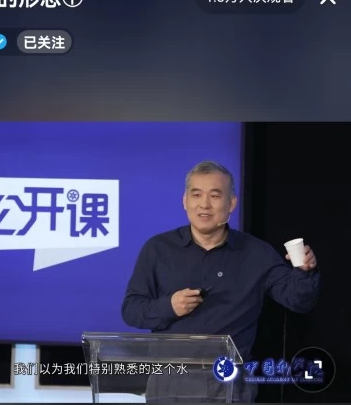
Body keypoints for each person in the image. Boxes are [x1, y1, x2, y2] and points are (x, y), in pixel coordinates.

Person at [121, 160, 320, 402]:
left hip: (230, 387)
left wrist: (304, 272)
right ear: (185, 201)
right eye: (196, 195)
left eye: (215, 196)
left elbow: (298, 301)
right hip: (170, 385)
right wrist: (169, 306)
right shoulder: (158, 249)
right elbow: (131, 310)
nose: (204, 204)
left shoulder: (257, 253)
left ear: (231, 203)